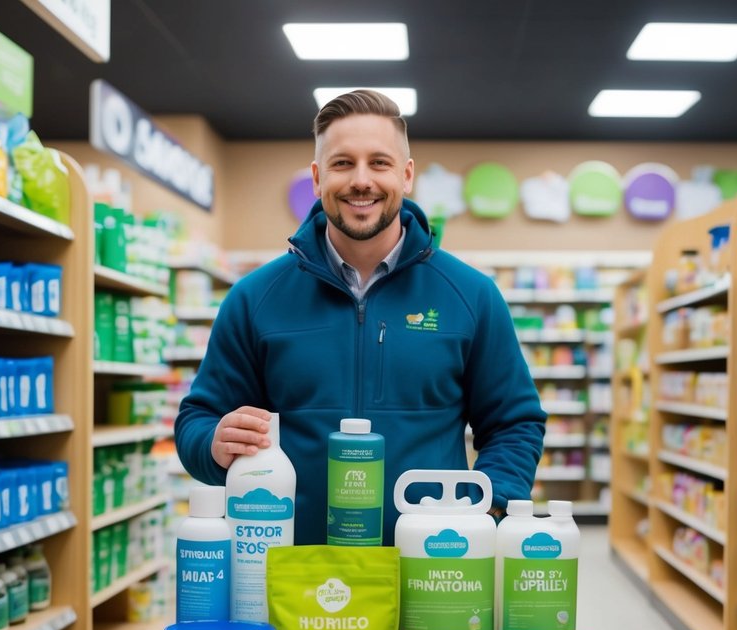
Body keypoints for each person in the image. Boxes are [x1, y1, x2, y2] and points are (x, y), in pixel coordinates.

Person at [175, 89, 545, 545]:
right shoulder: (254, 298)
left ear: (406, 176)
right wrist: (213, 443)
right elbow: (198, 418)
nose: (361, 180)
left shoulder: (471, 295)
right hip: (294, 570)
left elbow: (515, 421)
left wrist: (489, 506)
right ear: (317, 177)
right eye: (343, 163)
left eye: (380, 162)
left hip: (432, 570)